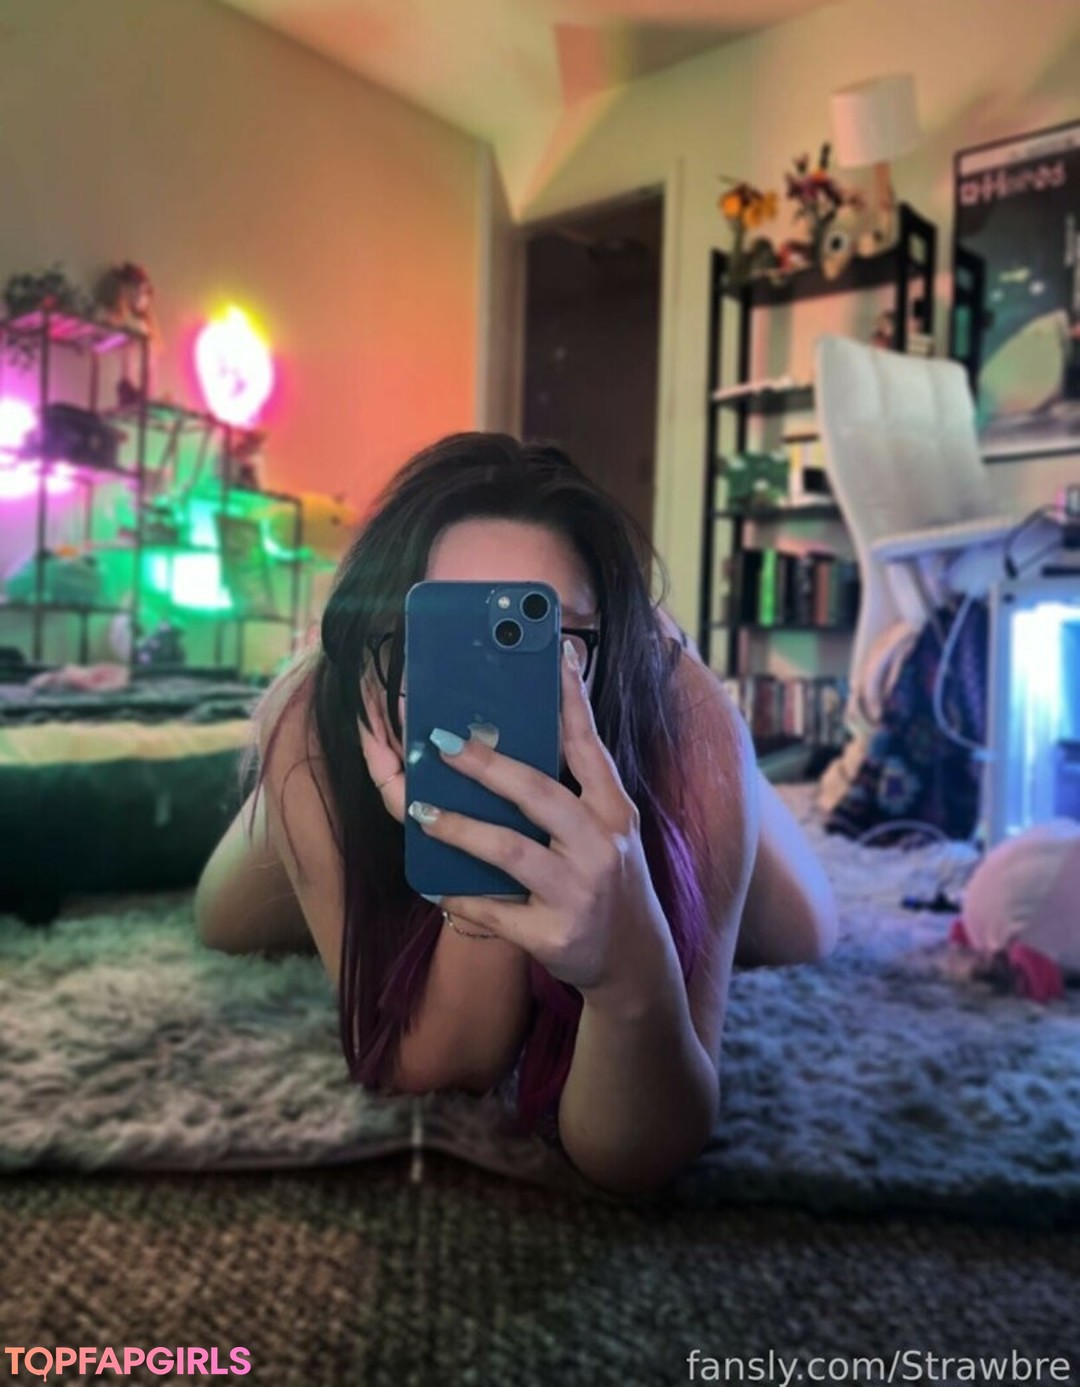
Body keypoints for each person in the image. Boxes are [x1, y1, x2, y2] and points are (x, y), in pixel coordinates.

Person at [195, 433, 837, 1196]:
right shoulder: (320, 714)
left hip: (651, 728)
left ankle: (727, 770)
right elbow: (439, 1065)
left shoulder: (682, 714)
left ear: (607, 648)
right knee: (224, 914)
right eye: (444, 637)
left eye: (549, 638)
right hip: (352, 743)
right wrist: (490, 865)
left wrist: (631, 979)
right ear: (379, 644)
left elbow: (640, 1148)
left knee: (804, 930)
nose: (495, 683)